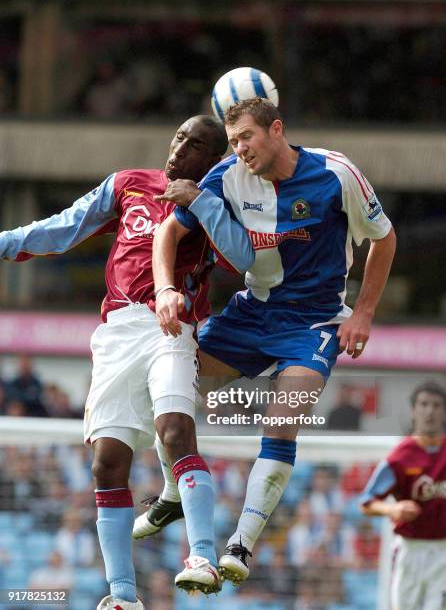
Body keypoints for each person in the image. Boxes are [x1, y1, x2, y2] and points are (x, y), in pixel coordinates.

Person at [0, 115, 254, 609]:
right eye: (179, 136)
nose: (181, 148)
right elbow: (65, 227)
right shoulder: (128, 184)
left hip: (172, 325)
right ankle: (122, 597)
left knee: (176, 431)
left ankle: (201, 556)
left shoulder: (217, 201)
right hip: (116, 334)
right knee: (106, 464)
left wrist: (202, 200)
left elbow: (243, 260)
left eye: (197, 145)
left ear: (214, 160)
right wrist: (6, 243)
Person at [142, 97, 396, 584]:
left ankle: (240, 547)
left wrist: (362, 313)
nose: (239, 150)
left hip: (315, 325)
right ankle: (175, 491)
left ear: (276, 129)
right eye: (233, 141)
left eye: (246, 139)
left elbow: (384, 238)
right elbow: (167, 233)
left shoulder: (336, 173)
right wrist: (165, 289)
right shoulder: (227, 174)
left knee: (283, 424)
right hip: (251, 314)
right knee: (169, 384)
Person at [360, 381, 446, 610]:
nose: (430, 411)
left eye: (437, 405)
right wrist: (392, 509)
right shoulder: (400, 457)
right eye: (424, 404)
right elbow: (367, 502)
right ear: (413, 411)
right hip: (410, 549)